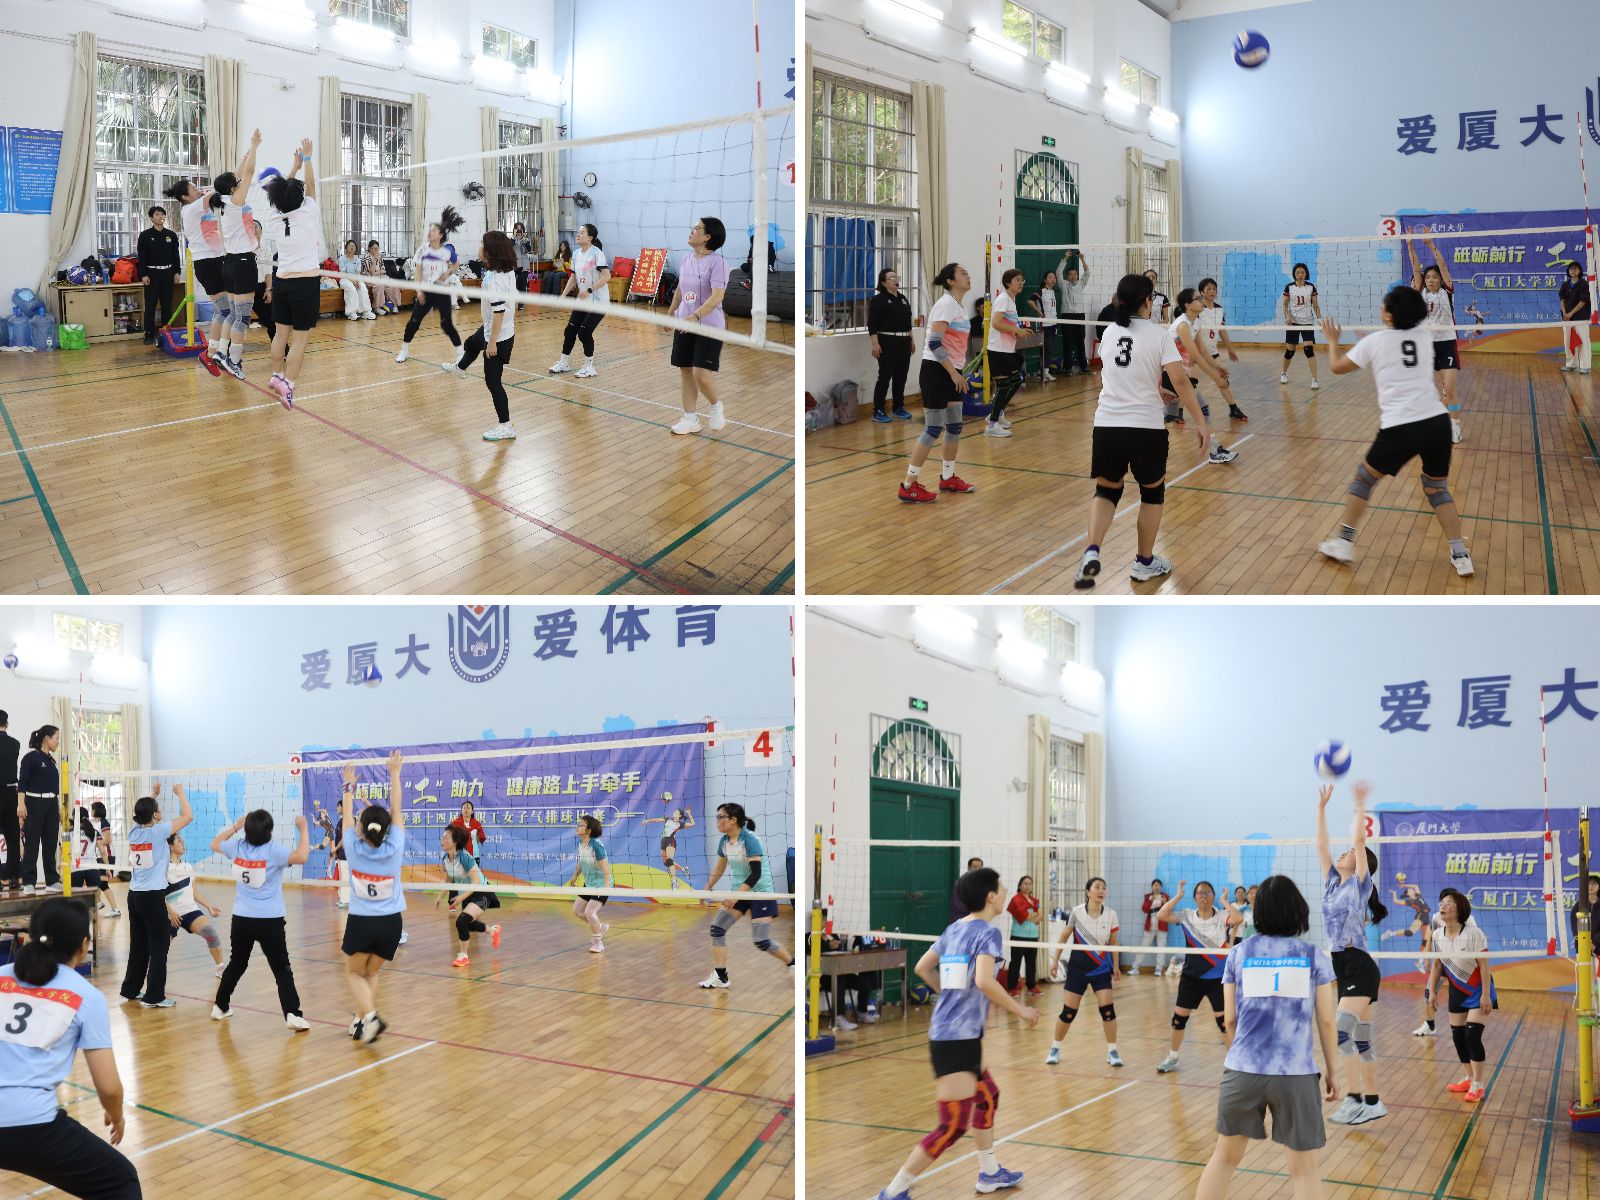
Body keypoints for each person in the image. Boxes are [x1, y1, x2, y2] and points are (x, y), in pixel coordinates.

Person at [874, 867, 1039, 1200]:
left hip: (956, 1034)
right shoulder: (988, 933)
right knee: (951, 1126)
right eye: (1002, 888)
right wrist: (1021, 1010)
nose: (1005, 893)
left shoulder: (954, 928)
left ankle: (990, 1173)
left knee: (988, 1097)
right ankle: (892, 1192)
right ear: (990, 896)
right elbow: (984, 981)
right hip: (955, 1039)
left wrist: (951, 996)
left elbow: (923, 967)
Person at [1194, 874, 1339, 1200]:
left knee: (1223, 1158)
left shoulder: (1238, 953)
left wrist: (1240, 1055)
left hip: (1243, 1069)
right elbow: (1327, 1021)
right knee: (1305, 1170)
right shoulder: (1313, 955)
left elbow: (1229, 1019)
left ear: (1258, 912)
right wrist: (1333, 1071)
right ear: (1298, 910)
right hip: (1296, 1074)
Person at [1316, 290, 1474, 576]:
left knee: (1363, 480)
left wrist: (1332, 341)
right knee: (1437, 489)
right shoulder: (1423, 337)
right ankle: (1460, 554)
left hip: (1402, 426)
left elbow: (1337, 367)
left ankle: (1343, 543)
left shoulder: (1375, 342)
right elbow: (1396, 350)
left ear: (1389, 315)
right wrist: (1369, 342)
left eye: (1383, 306)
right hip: (1437, 423)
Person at [1072, 273, 1208, 589]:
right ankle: (1144, 562)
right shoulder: (1159, 335)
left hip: (1107, 425)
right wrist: (1201, 422)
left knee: (1106, 491)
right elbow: (1180, 380)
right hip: (1145, 427)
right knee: (1152, 492)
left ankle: (1092, 550)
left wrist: (1153, 388)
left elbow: (1118, 373)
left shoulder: (1109, 332)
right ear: (1148, 301)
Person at [0, 898, 142, 1199]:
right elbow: (109, 1088)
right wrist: (116, 1115)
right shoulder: (86, 996)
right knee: (120, 1181)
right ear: (84, 944)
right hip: (30, 1125)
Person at [1316, 779, 1390, 1125]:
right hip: (1341, 964)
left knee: (1341, 1031)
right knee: (1360, 1038)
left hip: (1359, 964)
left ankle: (1354, 1099)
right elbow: (1322, 846)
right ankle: (1373, 1102)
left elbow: (1359, 842)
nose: (1344, 853)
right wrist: (1321, 809)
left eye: (1349, 853)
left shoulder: (1361, 884)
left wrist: (1360, 806)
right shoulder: (1333, 883)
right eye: (1344, 852)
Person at [209, 807, 311, 1030]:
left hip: (242, 919)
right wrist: (303, 829)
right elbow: (302, 856)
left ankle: (220, 1006)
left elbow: (215, 844)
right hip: (269, 920)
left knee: (237, 963)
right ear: (269, 831)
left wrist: (235, 827)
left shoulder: (237, 847)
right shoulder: (274, 850)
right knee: (281, 967)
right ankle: (292, 1014)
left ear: (247, 830)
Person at [340, 751, 405, 1044]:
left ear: (361, 828)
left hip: (362, 922)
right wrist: (394, 773)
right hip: (391, 924)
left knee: (354, 974)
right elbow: (397, 808)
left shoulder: (352, 848)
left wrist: (348, 785)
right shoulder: (395, 846)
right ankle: (361, 1022)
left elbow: (347, 814)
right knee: (369, 973)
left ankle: (371, 1018)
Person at [898, 263, 976, 504]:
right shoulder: (945, 305)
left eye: (967, 272)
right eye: (962, 273)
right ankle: (908, 485)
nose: (967, 275)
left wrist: (957, 371)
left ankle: (948, 478)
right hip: (937, 371)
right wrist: (954, 373)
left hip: (952, 371)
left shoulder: (958, 306)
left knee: (955, 426)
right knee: (933, 428)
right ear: (950, 281)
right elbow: (934, 343)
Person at [699, 802, 793, 988]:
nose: (717, 821)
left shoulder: (749, 839)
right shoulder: (724, 841)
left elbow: (755, 874)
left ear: (733, 820)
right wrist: (706, 888)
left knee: (761, 941)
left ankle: (792, 964)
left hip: (760, 893)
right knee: (717, 929)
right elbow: (720, 867)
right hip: (740, 891)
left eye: (721, 817)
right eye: (717, 817)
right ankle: (721, 977)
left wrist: (735, 895)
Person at [262, 139, 325, 409]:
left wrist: (296, 165)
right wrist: (307, 159)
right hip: (305, 283)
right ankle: (289, 384)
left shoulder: (274, 216)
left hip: (282, 282)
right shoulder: (308, 210)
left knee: (280, 334)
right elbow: (311, 185)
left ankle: (276, 375)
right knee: (300, 339)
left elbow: (281, 193)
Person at [1154, 879, 1241, 1073]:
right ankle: (1172, 1057)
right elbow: (1161, 915)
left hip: (1217, 979)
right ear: (1194, 897)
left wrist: (1224, 901)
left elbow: (1238, 919)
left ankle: (1235, 1062)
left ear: (1213, 896)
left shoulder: (1222, 915)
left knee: (1224, 1023)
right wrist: (1178, 896)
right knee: (1178, 1020)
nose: (1204, 895)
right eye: (1200, 892)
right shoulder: (1186, 916)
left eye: (1208, 892)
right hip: (1191, 977)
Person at [118, 782, 192, 1008]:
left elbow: (143, 813)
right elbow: (188, 816)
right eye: (157, 809)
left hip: (134, 896)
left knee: (139, 944)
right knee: (159, 946)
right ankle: (154, 997)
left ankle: (131, 989)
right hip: (151, 897)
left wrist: (153, 795)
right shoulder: (158, 832)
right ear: (155, 815)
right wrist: (180, 793)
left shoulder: (134, 831)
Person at [441, 229, 520, 442]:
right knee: (471, 343)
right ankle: (460, 368)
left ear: (491, 250)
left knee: (493, 382)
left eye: (482, 243)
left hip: (498, 336)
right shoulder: (507, 271)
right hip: (496, 328)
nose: (479, 247)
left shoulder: (494, 280)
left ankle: (506, 426)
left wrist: (492, 343)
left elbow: (499, 312)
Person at [1044, 876, 1124, 1068]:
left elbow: (1114, 941)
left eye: (1104, 887)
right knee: (1069, 1012)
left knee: (1108, 1011)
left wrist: (1116, 965)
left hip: (1100, 969)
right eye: (1097, 887)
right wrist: (1055, 961)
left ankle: (1112, 1051)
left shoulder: (1111, 914)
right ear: (1088, 892)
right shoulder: (1076, 912)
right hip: (1077, 969)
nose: (1101, 890)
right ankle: (1055, 1048)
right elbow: (1064, 936)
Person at [204, 128, 264, 379]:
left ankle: (221, 352)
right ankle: (234, 360)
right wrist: (255, 147)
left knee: (233, 313)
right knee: (242, 318)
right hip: (242, 263)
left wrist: (246, 153)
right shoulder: (236, 201)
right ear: (232, 188)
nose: (239, 183)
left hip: (230, 263)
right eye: (235, 183)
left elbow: (238, 175)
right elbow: (248, 174)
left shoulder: (223, 201)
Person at [1427, 890, 1493, 1104]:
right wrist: (1432, 991)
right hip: (1456, 991)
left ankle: (1478, 1085)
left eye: (1449, 903)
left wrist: (1486, 995)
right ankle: (1469, 1077)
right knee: (1458, 1037)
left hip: (1478, 991)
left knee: (1472, 1036)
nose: (1443, 905)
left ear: (1460, 909)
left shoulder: (1474, 933)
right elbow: (1437, 965)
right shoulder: (1437, 935)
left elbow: (1484, 966)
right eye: (1442, 902)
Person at [667, 216, 731, 435]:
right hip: (685, 323)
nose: (691, 231)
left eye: (696, 228)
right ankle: (690, 419)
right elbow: (680, 289)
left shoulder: (718, 263)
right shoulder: (686, 259)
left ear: (707, 237)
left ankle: (715, 406)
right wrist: (671, 313)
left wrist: (695, 317)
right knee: (686, 371)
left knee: (700, 373)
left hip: (708, 325)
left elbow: (717, 296)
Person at [1163, 287, 1243, 460]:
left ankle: (1215, 450)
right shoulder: (1182, 325)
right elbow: (1197, 357)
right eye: (1198, 298)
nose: (1201, 301)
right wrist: (1216, 378)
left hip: (1180, 375)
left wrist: (1218, 367)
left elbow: (1203, 352)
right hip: (1169, 375)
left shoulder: (1196, 322)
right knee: (1173, 415)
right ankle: (1215, 451)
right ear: (1188, 305)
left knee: (1169, 416)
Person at [162, 175, 225, 376]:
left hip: (219, 259)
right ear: (185, 197)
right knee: (224, 309)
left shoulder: (203, 207)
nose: (198, 190)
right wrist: (225, 184)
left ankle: (221, 354)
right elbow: (218, 190)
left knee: (230, 309)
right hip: (207, 263)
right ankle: (210, 354)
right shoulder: (190, 209)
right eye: (193, 188)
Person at [1406, 229, 1464, 443]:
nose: (1431, 280)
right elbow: (1415, 265)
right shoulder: (1420, 290)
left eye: (1435, 277)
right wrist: (1410, 244)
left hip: (1447, 343)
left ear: (1441, 280)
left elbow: (1442, 265)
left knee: (1450, 390)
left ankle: (1455, 427)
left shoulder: (1447, 291)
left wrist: (1430, 244)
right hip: (1426, 345)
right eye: (1428, 277)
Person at [395, 206, 465, 365]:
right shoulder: (423, 250)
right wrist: (419, 290)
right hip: (426, 291)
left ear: (440, 235)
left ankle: (461, 354)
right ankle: (404, 351)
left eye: (433, 230)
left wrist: (448, 273)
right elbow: (418, 272)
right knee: (414, 322)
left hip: (441, 291)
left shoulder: (447, 251)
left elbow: (456, 263)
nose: (430, 232)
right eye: (430, 230)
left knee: (446, 324)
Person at [550, 223, 610, 379]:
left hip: (598, 301)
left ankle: (589, 367)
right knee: (570, 330)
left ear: (590, 237)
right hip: (582, 301)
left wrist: (589, 290)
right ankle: (564, 363)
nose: (578, 234)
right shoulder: (576, 254)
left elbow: (607, 276)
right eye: (578, 232)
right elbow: (573, 277)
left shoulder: (597, 254)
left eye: (582, 232)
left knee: (584, 332)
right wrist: (563, 295)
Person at [439, 825, 500, 968]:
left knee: (461, 921)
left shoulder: (465, 857)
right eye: (443, 837)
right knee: (470, 925)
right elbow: (449, 879)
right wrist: (440, 896)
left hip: (482, 891)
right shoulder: (446, 858)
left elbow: (476, 881)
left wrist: (460, 898)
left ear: (455, 842)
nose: (443, 840)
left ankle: (463, 956)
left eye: (446, 837)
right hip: (467, 894)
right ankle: (492, 931)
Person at [162, 832, 221, 975]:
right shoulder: (164, 867)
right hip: (170, 914)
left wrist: (208, 906)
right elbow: (158, 894)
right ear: (170, 846)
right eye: (179, 841)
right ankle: (150, 970)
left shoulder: (187, 866)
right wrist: (170, 912)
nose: (182, 843)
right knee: (160, 949)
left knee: (211, 933)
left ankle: (221, 968)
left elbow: (194, 891)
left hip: (190, 911)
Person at [19, 725, 63, 895]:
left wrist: (58, 808)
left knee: (51, 844)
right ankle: (29, 882)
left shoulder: (51, 761)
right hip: (34, 803)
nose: (57, 742)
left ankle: (52, 880)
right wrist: (21, 804)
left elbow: (54, 788)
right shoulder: (30, 758)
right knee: (32, 844)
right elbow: (22, 783)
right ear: (47, 738)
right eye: (56, 738)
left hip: (52, 805)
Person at [868, 267, 916, 422]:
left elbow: (907, 323)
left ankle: (898, 407)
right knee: (885, 376)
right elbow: (872, 323)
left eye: (897, 277)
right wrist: (875, 344)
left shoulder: (903, 298)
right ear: (883, 282)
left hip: (904, 341)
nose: (896, 280)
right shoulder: (878, 300)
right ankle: (878, 411)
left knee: (901, 376)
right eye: (892, 278)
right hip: (887, 341)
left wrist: (911, 340)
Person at [984, 269, 1027, 438]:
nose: (1021, 283)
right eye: (1018, 280)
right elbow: (995, 323)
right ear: (1008, 282)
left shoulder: (1011, 299)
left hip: (1007, 349)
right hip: (998, 349)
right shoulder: (1003, 299)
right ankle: (991, 425)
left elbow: (1008, 322)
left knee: (1016, 381)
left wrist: (1021, 330)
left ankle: (998, 412)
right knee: (1003, 387)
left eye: (1022, 280)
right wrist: (1017, 330)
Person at [136, 205, 182, 345]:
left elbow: (175, 255)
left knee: (167, 306)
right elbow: (142, 257)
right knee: (150, 306)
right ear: (151, 218)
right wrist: (143, 275)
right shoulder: (145, 235)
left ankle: (166, 334)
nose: (160, 216)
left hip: (168, 274)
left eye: (162, 214)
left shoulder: (171, 235)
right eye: (157, 214)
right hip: (152, 274)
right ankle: (149, 334)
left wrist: (177, 272)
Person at [567, 815, 612, 953]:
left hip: (601, 884)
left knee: (589, 912)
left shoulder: (596, 845)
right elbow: (582, 861)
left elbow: (606, 869)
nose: (578, 826)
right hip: (589, 884)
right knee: (576, 911)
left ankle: (598, 943)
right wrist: (575, 875)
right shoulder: (581, 844)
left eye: (581, 825)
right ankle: (600, 927)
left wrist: (606, 888)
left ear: (589, 830)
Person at [69, 809, 119, 919]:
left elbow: (65, 853)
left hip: (76, 868)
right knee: (94, 898)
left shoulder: (69, 833)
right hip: (92, 868)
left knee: (75, 897)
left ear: (74, 818)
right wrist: (108, 868)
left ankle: (76, 919)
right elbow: (103, 852)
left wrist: (62, 871)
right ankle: (95, 925)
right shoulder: (94, 832)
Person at [1280, 263, 1322, 390]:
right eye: (1297, 272)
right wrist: (1287, 317)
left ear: (1306, 274)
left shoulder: (1310, 287)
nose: (1300, 275)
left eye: (1302, 272)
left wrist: (1319, 319)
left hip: (1307, 323)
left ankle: (1315, 379)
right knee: (1289, 352)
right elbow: (1285, 305)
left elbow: (1315, 305)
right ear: (1294, 274)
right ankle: (1284, 373)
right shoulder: (1289, 287)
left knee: (1309, 350)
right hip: (1293, 323)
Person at [643, 802, 695, 888]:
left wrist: (689, 813)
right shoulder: (668, 819)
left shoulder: (680, 824)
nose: (674, 812)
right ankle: (684, 869)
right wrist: (647, 821)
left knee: (669, 860)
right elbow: (657, 820)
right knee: (666, 863)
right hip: (663, 841)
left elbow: (693, 824)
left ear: (679, 815)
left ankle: (674, 882)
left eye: (676, 812)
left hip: (671, 840)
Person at [1005, 874, 1041, 997]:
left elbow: (1040, 915)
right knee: (1015, 963)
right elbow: (1024, 916)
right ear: (1020, 886)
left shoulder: (1035, 900)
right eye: (1025, 883)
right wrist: (1034, 915)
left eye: (1030, 884)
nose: (1027, 886)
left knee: (1031, 962)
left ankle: (1031, 987)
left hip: (1033, 936)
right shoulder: (1016, 899)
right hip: (1018, 935)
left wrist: (1033, 916)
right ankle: (1012, 988)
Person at [1058, 251, 1091, 375]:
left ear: (1077, 276)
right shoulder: (1063, 284)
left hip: (1079, 316)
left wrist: (1082, 259)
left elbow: (1087, 273)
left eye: (1075, 274)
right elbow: (1058, 273)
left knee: (1080, 342)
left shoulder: (1081, 284)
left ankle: (1083, 367)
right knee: (1067, 343)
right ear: (1067, 276)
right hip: (1066, 316)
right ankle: (1068, 368)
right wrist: (1065, 258)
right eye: (1070, 274)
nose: (1073, 276)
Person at [1131, 877, 1170, 975]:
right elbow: (1144, 909)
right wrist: (1150, 901)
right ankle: (1135, 968)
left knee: (1161, 948)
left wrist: (1165, 903)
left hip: (1162, 925)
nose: (1157, 887)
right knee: (1143, 946)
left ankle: (1159, 969)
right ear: (1152, 886)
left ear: (1161, 887)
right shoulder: (1148, 896)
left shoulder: (1165, 896)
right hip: (1150, 925)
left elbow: (1169, 910)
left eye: (1159, 885)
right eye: (1155, 885)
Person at [1029, 269, 1061, 383]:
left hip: (1053, 324)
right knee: (1046, 348)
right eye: (1050, 277)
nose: (1053, 279)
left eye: (1054, 277)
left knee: (1050, 349)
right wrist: (1038, 312)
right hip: (1045, 324)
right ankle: (1043, 373)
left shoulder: (1052, 292)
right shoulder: (1041, 291)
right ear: (1045, 280)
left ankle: (1045, 372)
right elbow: (1030, 301)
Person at [1561, 260, 1592, 374]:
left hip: (1581, 317)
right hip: (1567, 318)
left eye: (1575, 269)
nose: (1573, 271)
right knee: (1568, 341)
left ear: (1579, 271)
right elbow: (1562, 299)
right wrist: (1565, 313)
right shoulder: (1565, 285)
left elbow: (1583, 302)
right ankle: (1571, 364)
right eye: (1571, 269)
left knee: (1583, 341)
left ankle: (1585, 366)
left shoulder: (1584, 284)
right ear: (1568, 271)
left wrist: (1571, 313)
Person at [250, 219, 276, 342]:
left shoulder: (267, 250)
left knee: (272, 320)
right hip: (244, 289)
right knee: (237, 321)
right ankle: (227, 350)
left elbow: (268, 273)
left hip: (261, 288)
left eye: (257, 226)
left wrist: (268, 289)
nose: (254, 229)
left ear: (261, 230)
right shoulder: (242, 250)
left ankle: (282, 348)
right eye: (251, 227)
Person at [336, 239, 376, 321]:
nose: (352, 248)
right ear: (346, 248)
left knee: (363, 288)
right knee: (352, 289)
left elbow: (358, 272)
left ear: (356, 248)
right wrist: (352, 281)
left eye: (353, 246)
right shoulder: (342, 259)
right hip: (345, 278)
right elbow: (343, 273)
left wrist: (357, 280)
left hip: (356, 278)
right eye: (350, 246)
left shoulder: (357, 259)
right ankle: (351, 313)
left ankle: (366, 311)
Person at [0, 711, 18, 893]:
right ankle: (14, 879)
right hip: (11, 793)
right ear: (7, 723)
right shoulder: (15, 744)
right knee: (13, 838)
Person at [362, 240, 402, 314]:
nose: (375, 250)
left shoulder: (380, 257)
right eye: (373, 248)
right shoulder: (366, 258)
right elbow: (371, 271)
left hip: (381, 277)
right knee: (379, 285)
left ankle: (394, 304)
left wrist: (375, 273)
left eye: (377, 248)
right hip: (369, 278)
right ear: (369, 248)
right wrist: (375, 260)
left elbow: (383, 271)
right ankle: (377, 307)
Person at [951, 856, 984, 922]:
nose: (978, 869)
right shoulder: (960, 883)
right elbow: (959, 906)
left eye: (980, 867)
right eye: (975, 867)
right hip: (962, 920)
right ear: (969, 868)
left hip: (976, 920)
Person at [511, 221, 533, 293]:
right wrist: (514, 237)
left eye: (520, 229)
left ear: (523, 230)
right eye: (517, 229)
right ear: (514, 230)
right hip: (513, 264)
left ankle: (521, 300)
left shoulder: (526, 239)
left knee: (523, 285)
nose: (519, 231)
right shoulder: (511, 239)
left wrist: (523, 239)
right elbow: (509, 247)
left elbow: (529, 250)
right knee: (511, 284)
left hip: (523, 265)